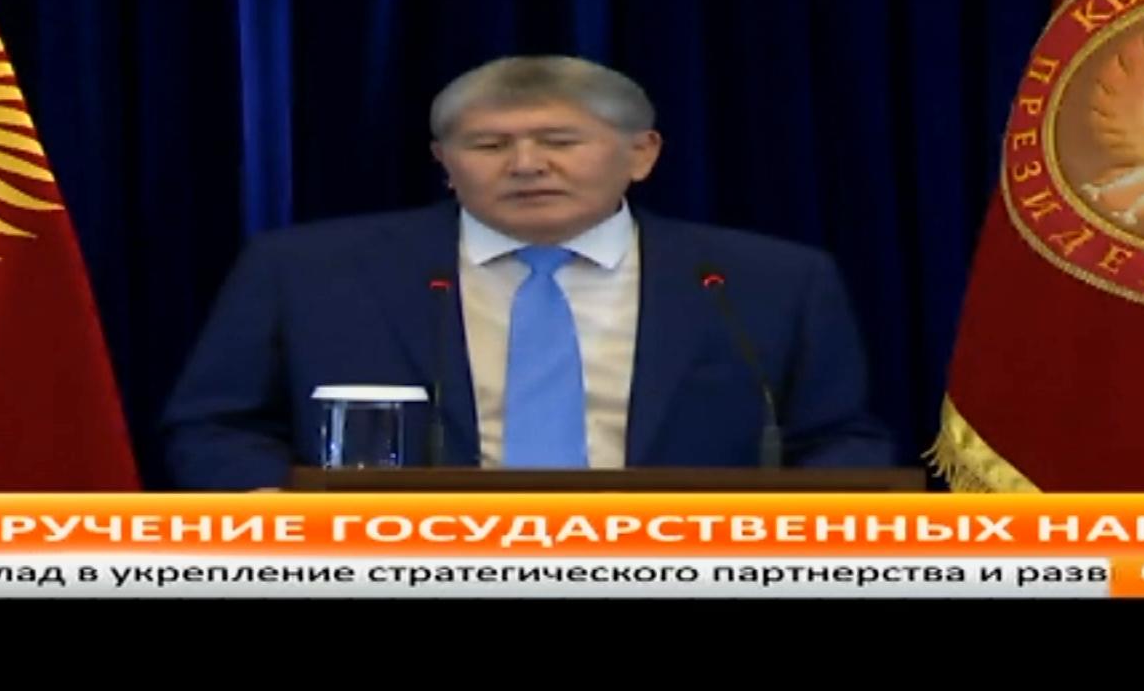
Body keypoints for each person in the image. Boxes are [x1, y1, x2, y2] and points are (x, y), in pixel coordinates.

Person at [162, 55, 894, 488]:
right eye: (488, 145)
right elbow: (215, 426)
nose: (526, 165)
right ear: (444, 163)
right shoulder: (307, 271)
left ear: (641, 154)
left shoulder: (766, 281)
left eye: (560, 141)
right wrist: (283, 514)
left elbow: (839, 439)